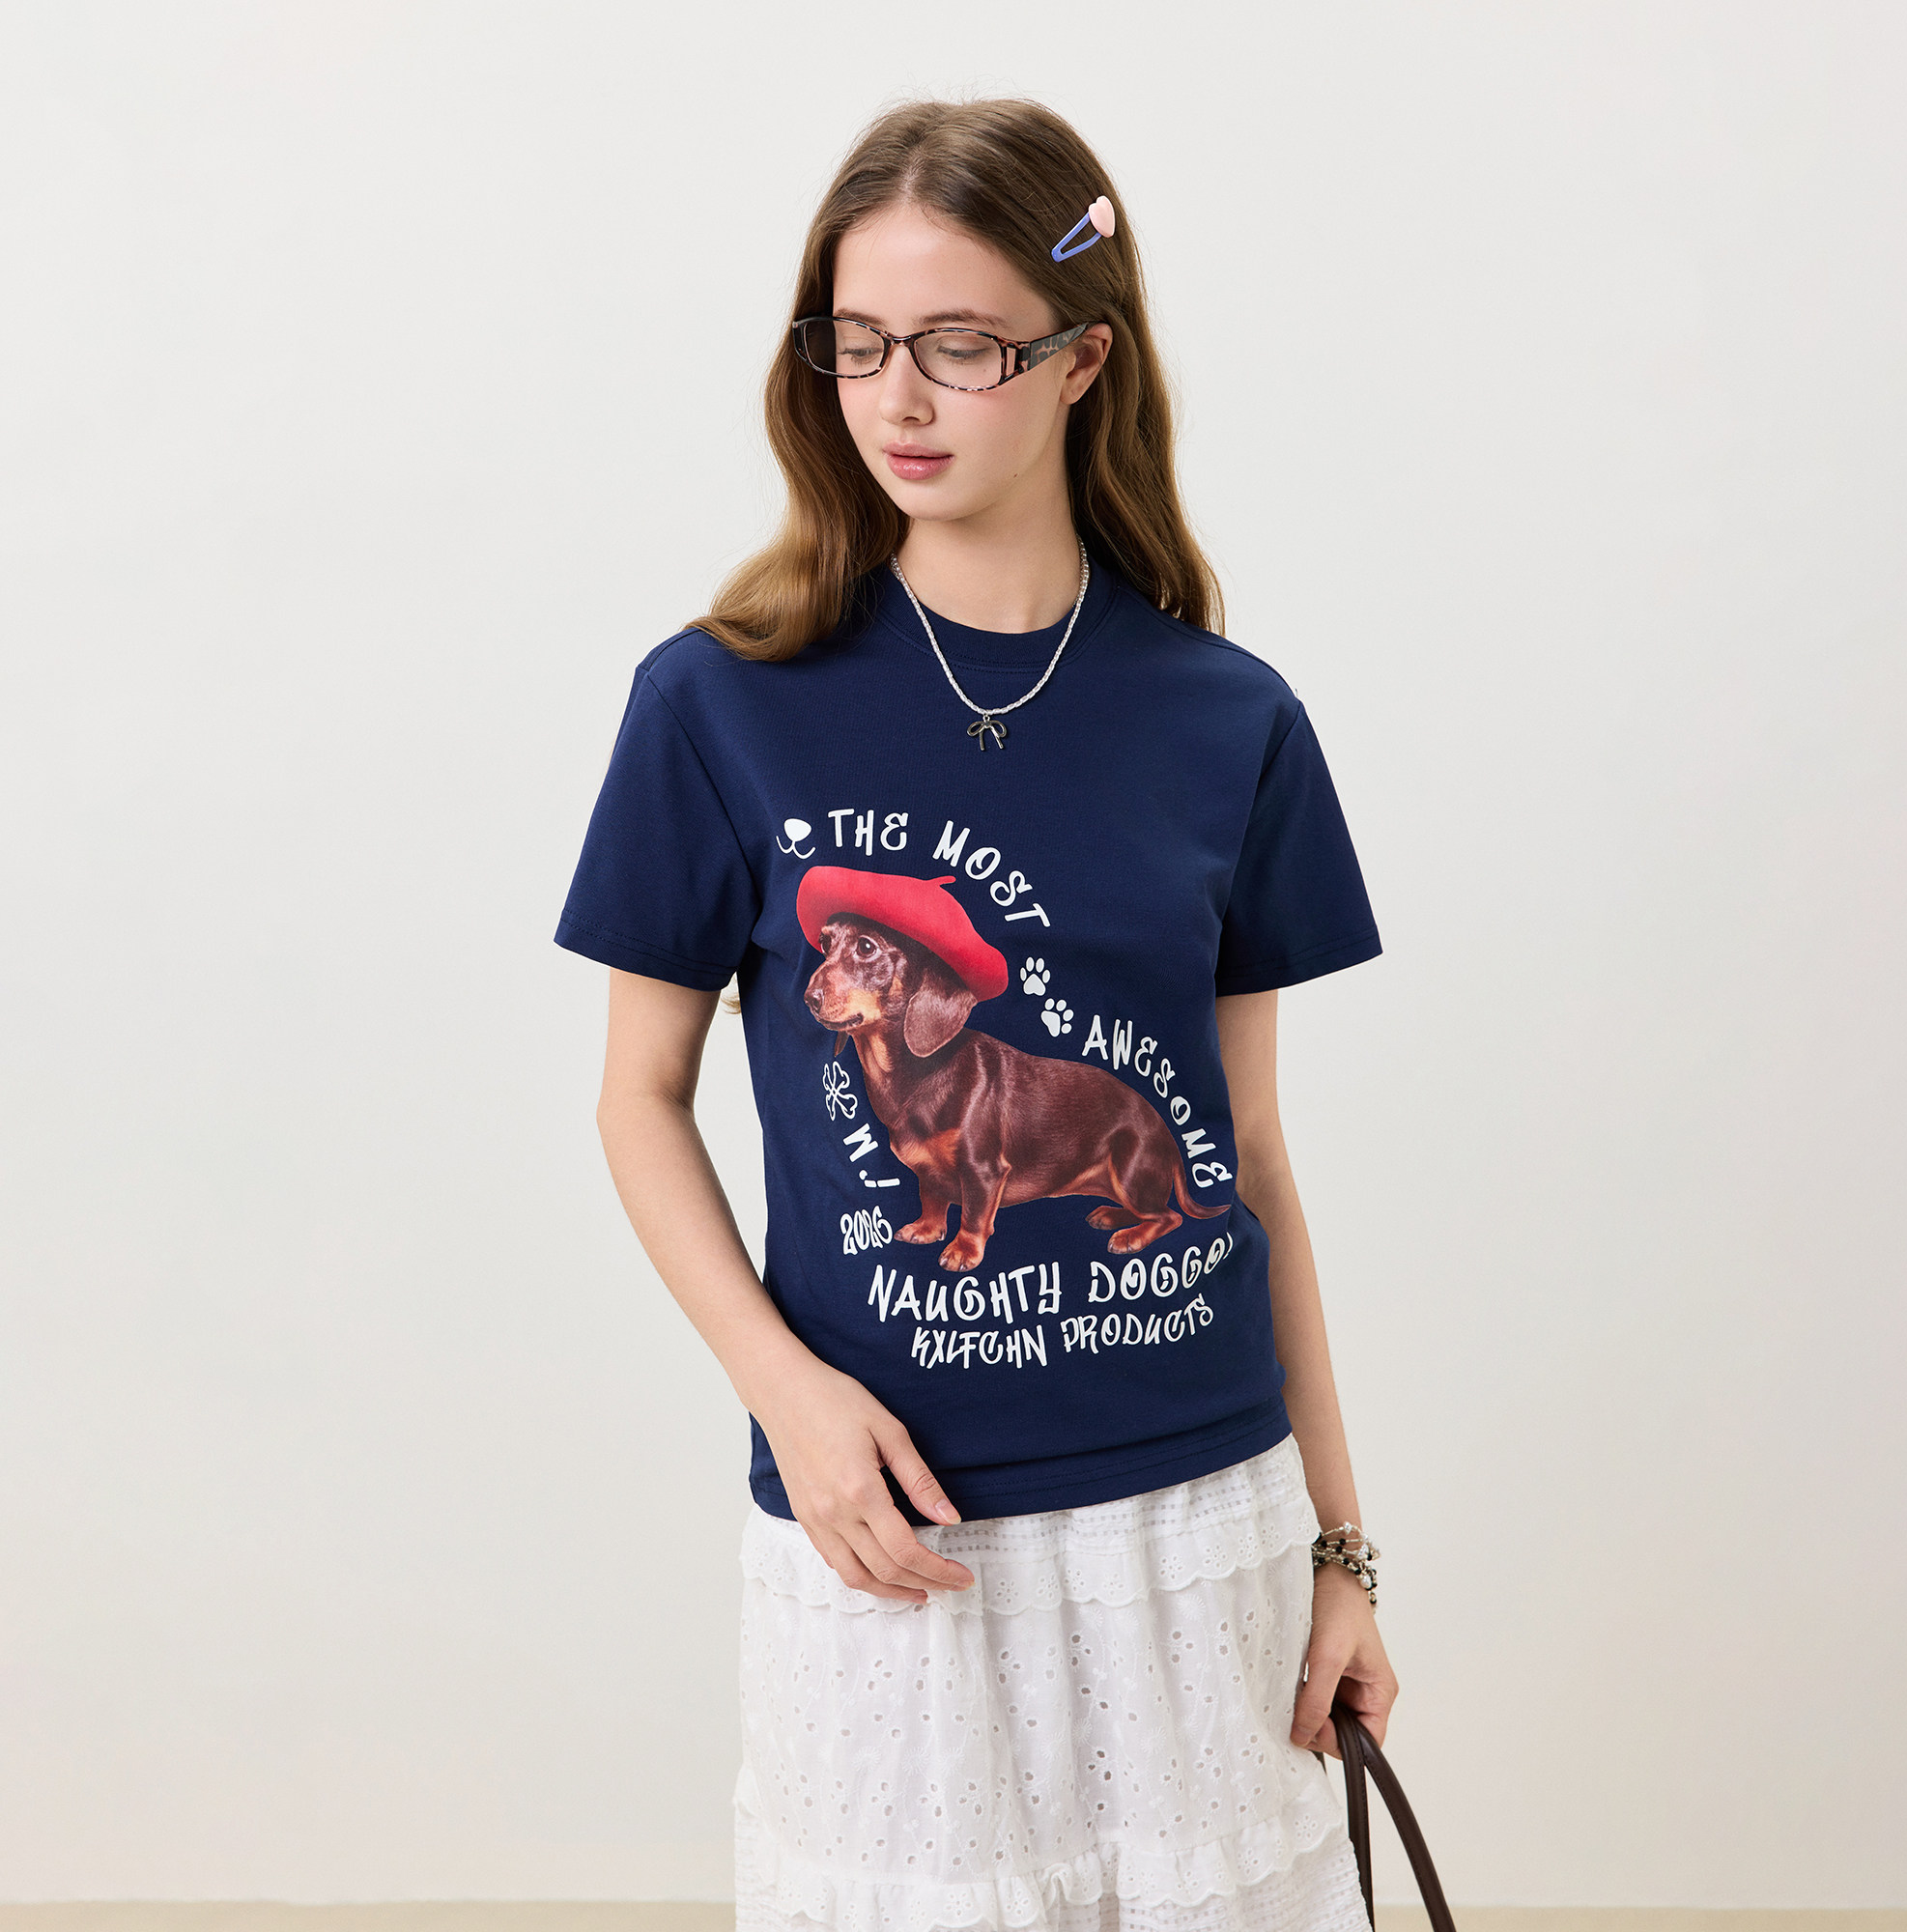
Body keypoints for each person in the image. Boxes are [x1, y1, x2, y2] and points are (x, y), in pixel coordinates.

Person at [555, 96, 1397, 1932]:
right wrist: (787, 1395)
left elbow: (1249, 1158)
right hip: (893, 1524)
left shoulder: (1230, 720)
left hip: (1202, 1518)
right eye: (859, 345)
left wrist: (1342, 1551)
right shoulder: (720, 704)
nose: (902, 398)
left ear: (1085, 358)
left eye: (962, 345)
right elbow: (638, 1098)